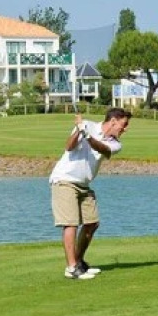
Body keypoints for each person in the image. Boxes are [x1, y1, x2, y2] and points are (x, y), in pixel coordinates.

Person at [49, 107, 130, 279]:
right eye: (124, 124)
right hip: (65, 180)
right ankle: (71, 268)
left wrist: (87, 136)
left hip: (83, 184)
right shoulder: (86, 125)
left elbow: (102, 148)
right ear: (113, 121)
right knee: (70, 223)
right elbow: (69, 147)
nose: (125, 129)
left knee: (92, 223)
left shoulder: (116, 143)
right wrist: (79, 131)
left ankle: (78, 262)